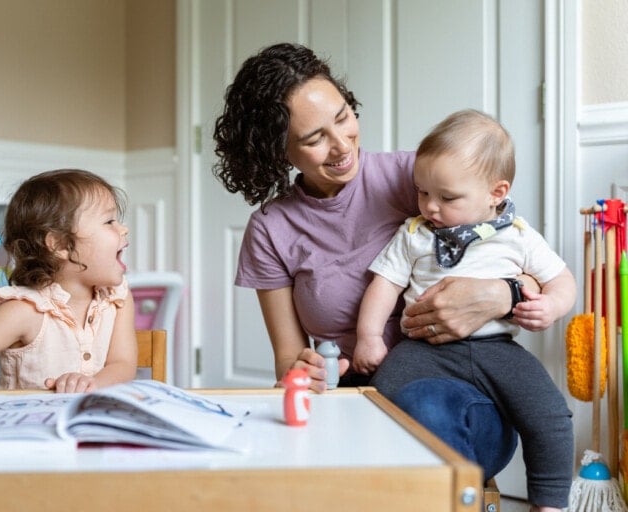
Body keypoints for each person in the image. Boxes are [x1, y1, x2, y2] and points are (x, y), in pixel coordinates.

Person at [212, 42, 547, 488]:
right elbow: (289, 362)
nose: (341, 145)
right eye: (314, 139)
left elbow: (522, 255)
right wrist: (304, 371)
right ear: (279, 152)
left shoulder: (420, 180)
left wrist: (504, 292)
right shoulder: (271, 230)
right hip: (357, 405)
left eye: (344, 116)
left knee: (423, 407)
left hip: (463, 391)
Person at [358, 109, 574, 511]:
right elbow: (384, 284)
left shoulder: (518, 236)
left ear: (496, 192)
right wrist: (369, 337)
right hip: (423, 348)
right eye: (423, 192)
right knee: (381, 398)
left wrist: (551, 306)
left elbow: (562, 281)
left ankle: (550, 502)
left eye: (447, 197)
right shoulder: (414, 233)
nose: (431, 207)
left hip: (498, 349)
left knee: (549, 415)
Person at [0, 169, 137, 407]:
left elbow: (123, 364)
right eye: (109, 221)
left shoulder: (117, 298)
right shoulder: (24, 310)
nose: (123, 228)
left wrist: (92, 384)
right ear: (61, 245)